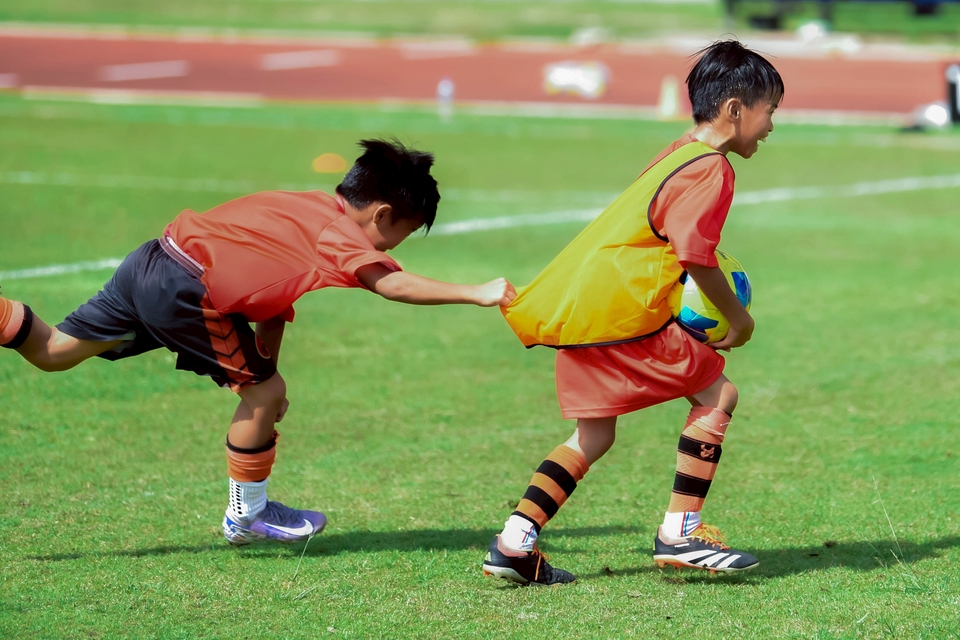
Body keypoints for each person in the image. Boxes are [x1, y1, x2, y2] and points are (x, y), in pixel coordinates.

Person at [0, 139, 516, 546]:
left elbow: (270, 308)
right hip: (189, 288)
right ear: (381, 214)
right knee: (264, 395)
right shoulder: (339, 236)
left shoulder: (309, 207)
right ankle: (247, 516)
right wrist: (476, 293)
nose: (393, 247)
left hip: (154, 258)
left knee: (54, 352)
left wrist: (265, 371)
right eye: (402, 233)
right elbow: (391, 284)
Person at [481, 40, 783, 585]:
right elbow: (695, 255)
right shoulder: (711, 168)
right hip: (622, 313)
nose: (771, 127)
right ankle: (680, 532)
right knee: (719, 394)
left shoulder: (677, 153)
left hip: (581, 311)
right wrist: (739, 320)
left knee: (593, 436)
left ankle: (514, 541)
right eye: (771, 112)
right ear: (736, 108)